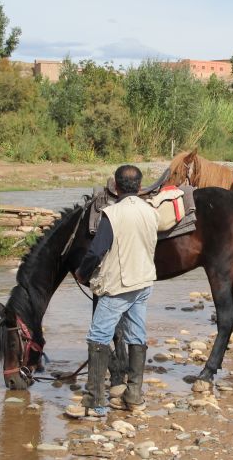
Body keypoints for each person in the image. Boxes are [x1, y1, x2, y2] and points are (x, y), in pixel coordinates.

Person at [65, 164, 159, 418]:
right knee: (137, 335)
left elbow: (96, 252)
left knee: (98, 336)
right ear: (140, 186)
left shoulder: (111, 214)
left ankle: (95, 401)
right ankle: (133, 395)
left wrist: (83, 273)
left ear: (115, 187)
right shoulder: (151, 212)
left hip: (119, 286)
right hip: (144, 282)